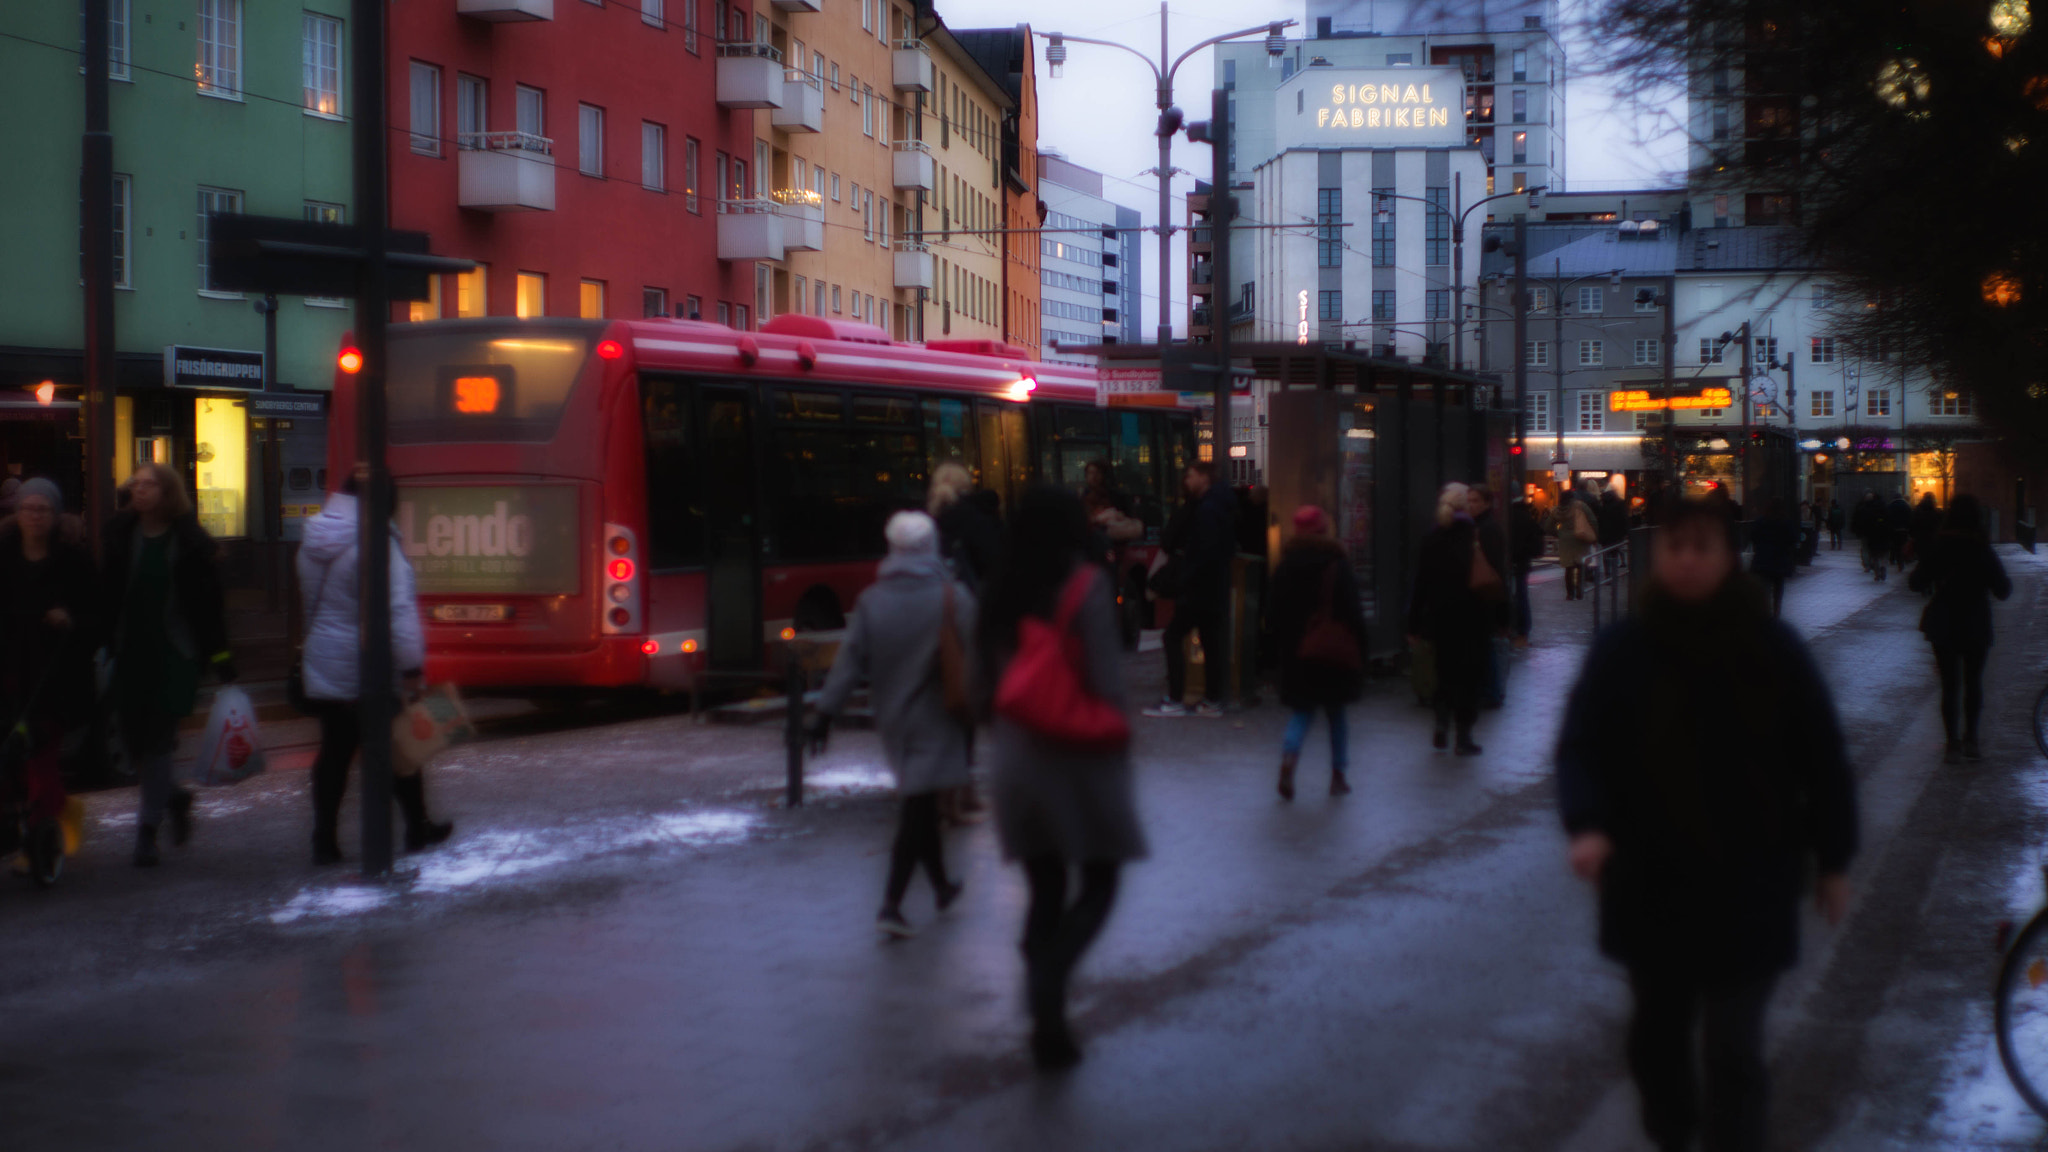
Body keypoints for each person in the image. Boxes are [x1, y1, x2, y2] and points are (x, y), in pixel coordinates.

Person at [1557, 498, 1857, 1152]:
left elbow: (1821, 756)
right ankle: (1673, 1132)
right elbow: (1582, 744)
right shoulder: (1625, 647)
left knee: (1732, 1049)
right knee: (1655, 1041)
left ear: (1728, 558)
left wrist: (1833, 860)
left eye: (1703, 547)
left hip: (1751, 878)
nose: (1688, 559)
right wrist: (1587, 824)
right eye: (1676, 547)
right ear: (1658, 556)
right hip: (1649, 880)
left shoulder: (1771, 646)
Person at [980, 487, 1146, 1070]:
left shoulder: (1000, 591)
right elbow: (1105, 683)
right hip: (1077, 759)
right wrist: (1122, 747)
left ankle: (1045, 1017)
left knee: (1045, 885)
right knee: (1100, 880)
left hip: (1015, 762)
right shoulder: (1085, 586)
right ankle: (1049, 979)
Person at [810, 511, 975, 936]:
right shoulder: (952, 597)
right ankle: (891, 906)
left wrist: (825, 713)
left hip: (893, 719)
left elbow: (849, 663)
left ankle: (940, 887)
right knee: (918, 809)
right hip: (939, 716)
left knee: (921, 799)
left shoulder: (871, 601)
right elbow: (984, 656)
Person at [298, 474, 451, 864]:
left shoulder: (316, 537)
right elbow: (398, 612)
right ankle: (417, 826)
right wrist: (412, 665)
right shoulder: (378, 544)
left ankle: (323, 840)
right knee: (400, 743)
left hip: (325, 657)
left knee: (335, 750)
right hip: (369, 662)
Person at [103, 463, 233, 867]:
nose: (139, 491)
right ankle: (174, 796)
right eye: (136, 484)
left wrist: (221, 656)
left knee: (158, 744)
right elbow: (106, 592)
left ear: (167, 493)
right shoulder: (121, 534)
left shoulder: (189, 541)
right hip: (130, 654)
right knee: (135, 744)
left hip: (175, 656)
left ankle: (147, 831)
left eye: (148, 485)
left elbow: (209, 605)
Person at [0, 479, 97, 882]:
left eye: (42, 509)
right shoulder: (3, 557)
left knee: (41, 756)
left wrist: (69, 621)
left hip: (55, 677)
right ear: (17, 512)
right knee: (9, 757)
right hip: (7, 674)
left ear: (55, 515)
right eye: (28, 508)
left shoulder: (73, 561)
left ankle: (41, 830)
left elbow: (96, 616)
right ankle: (31, 817)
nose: (34, 515)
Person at [1268, 505, 1368, 800]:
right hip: (1332, 650)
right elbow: (1353, 612)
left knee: (1302, 712)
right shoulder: (1336, 564)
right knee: (1336, 714)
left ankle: (1289, 759)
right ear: (1324, 529)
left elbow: (1273, 613)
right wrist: (1362, 650)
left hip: (1298, 652)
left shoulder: (1285, 565)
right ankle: (1338, 775)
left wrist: (1278, 650)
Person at [1909, 494, 2011, 763]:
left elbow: (1916, 582)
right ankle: (1972, 739)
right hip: (1975, 622)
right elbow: (2003, 590)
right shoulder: (1982, 548)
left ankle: (1952, 742)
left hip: (1944, 622)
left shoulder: (1939, 545)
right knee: (1973, 682)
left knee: (1949, 685)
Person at [1145, 462, 1235, 717]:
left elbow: (1202, 551)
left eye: (1191, 476)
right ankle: (1213, 700)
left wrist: (1186, 578)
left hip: (1199, 587)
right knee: (1210, 641)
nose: (1186, 481)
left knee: (1172, 636)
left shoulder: (1205, 509)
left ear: (1204, 478)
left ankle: (1175, 699)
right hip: (1214, 586)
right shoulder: (1221, 504)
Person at [1408, 483, 1492, 756]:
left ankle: (1442, 722)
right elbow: (1490, 579)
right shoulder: (1474, 535)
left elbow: (1420, 583)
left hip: (1440, 619)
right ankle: (1464, 736)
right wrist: (1502, 619)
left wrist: (1413, 623)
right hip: (1472, 618)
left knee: (1444, 673)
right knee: (1469, 677)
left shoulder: (1431, 537)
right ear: (1465, 507)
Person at [1469, 485, 1513, 707]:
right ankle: (1490, 690)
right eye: (1469, 500)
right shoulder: (1481, 526)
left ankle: (1492, 692)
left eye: (1476, 500)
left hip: (1487, 596)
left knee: (1488, 645)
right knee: (1487, 644)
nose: (1471, 505)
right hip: (1486, 595)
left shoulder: (1487, 529)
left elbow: (1495, 569)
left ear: (1486, 503)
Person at [1748, 497, 1799, 619]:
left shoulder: (1761, 521)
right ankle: (1776, 614)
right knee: (1778, 590)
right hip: (1779, 561)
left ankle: (1765, 614)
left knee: (1765, 589)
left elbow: (1753, 536)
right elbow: (1792, 539)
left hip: (1763, 561)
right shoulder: (1785, 522)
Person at [1508, 490, 1543, 649]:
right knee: (1522, 596)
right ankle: (1522, 631)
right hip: (1521, 563)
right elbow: (1537, 548)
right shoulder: (1528, 518)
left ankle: (1511, 629)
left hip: (1510, 562)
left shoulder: (1506, 517)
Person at [1553, 486, 1597, 601]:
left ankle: (1569, 594)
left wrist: (1559, 533)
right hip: (1580, 538)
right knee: (1581, 565)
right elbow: (1592, 520)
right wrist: (1593, 535)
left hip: (1565, 542)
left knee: (1568, 568)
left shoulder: (1558, 509)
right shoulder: (1581, 506)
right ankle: (1579, 591)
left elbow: (1548, 526)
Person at [1851, 492, 1888, 580]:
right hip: (1883, 534)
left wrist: (1858, 531)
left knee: (1873, 553)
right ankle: (1883, 567)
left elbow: (1860, 521)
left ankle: (1876, 572)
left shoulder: (1866, 508)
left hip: (1870, 535)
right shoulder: (1884, 507)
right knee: (1882, 553)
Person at [1908, 493, 1941, 575]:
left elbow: (1912, 525)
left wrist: (1913, 536)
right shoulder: (1937, 512)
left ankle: (1923, 575)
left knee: (1922, 559)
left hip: (1919, 540)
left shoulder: (1917, 511)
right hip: (1933, 540)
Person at [1884, 490, 1914, 573]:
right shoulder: (1906, 506)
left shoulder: (1890, 506)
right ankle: (1902, 561)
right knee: (1903, 545)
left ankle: (1898, 561)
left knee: (1896, 546)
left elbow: (1887, 518)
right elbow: (1910, 518)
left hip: (1894, 530)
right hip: (1904, 530)